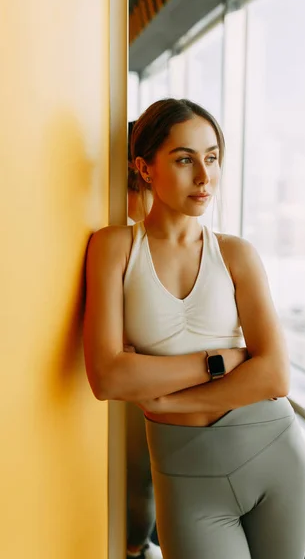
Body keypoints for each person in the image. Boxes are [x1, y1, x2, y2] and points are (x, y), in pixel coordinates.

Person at [83, 99, 305, 559]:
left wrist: (171, 399)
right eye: (185, 159)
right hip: (185, 472)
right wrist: (223, 362)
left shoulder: (236, 254)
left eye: (211, 158)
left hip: (275, 453)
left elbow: (274, 376)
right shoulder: (112, 249)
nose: (205, 177)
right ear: (144, 168)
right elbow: (108, 377)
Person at [125, 120, 161, 559]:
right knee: (142, 474)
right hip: (143, 391)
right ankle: (137, 546)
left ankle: (138, 545)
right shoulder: (122, 242)